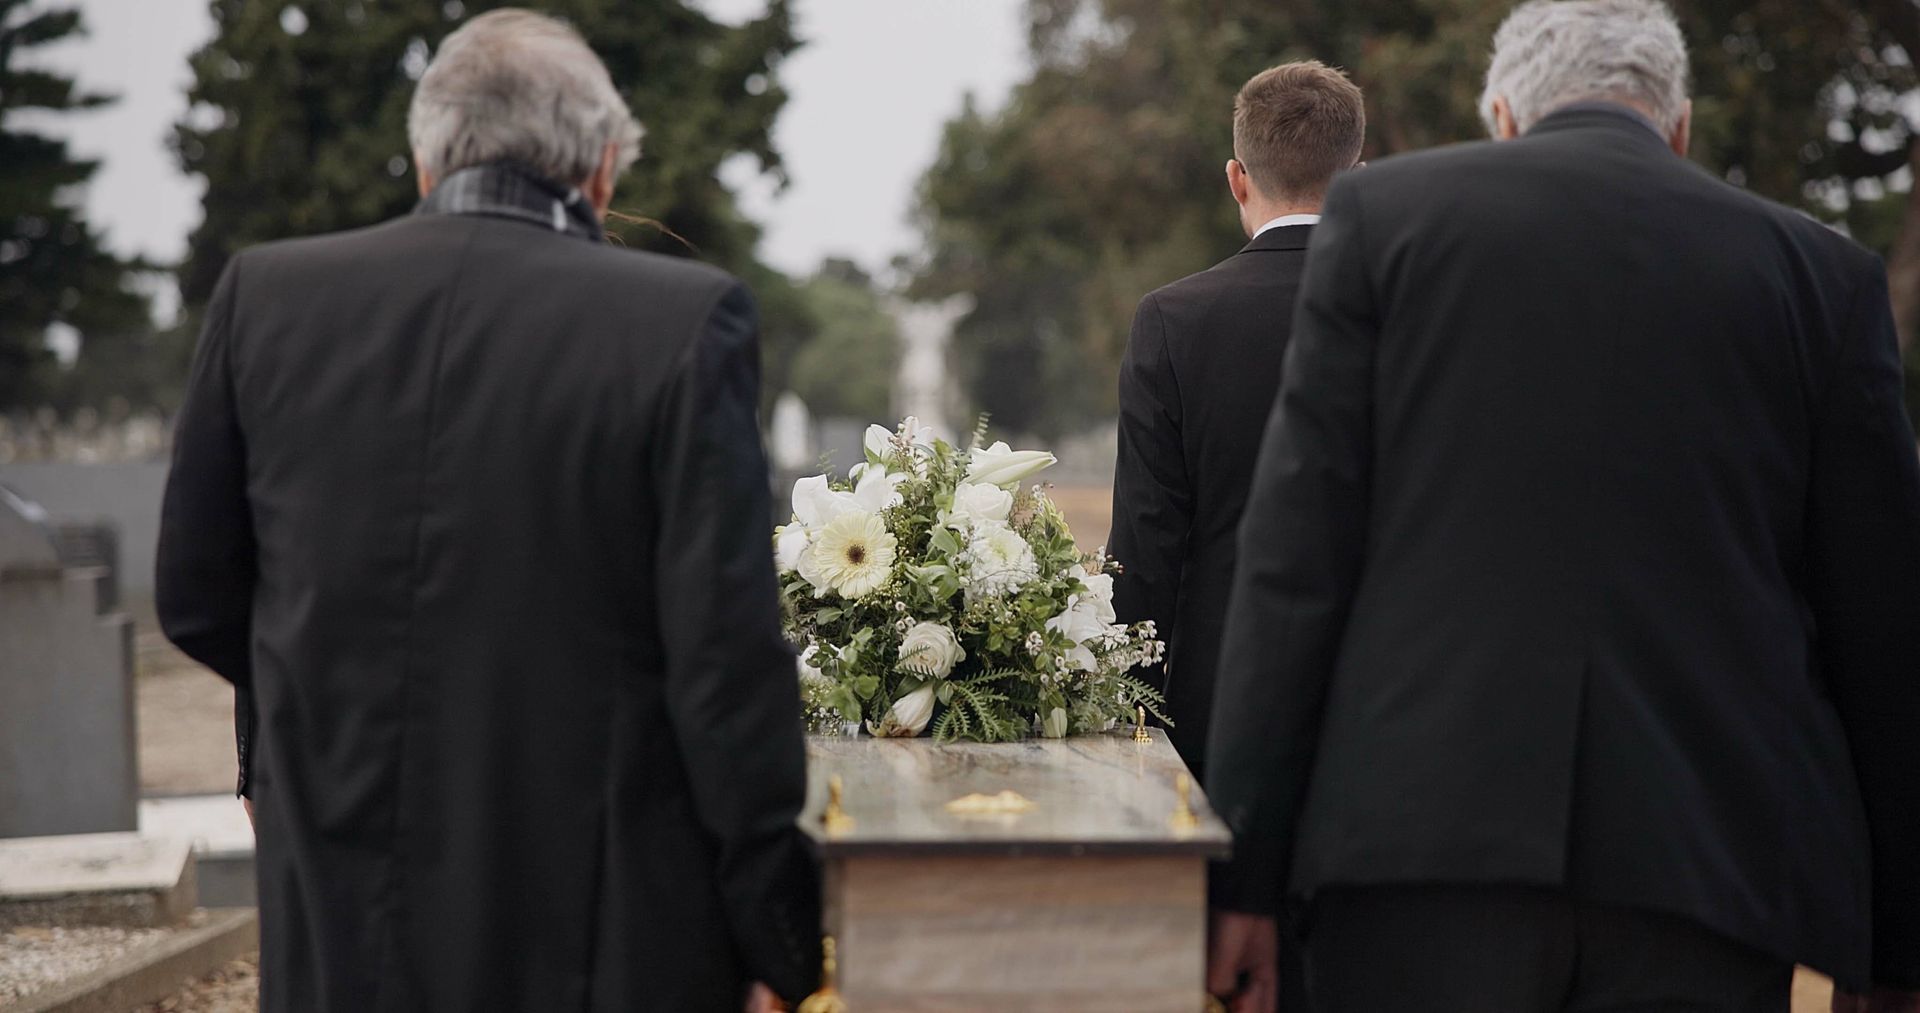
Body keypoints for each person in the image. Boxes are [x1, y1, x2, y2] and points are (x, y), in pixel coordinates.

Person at [1202, 1, 1920, 1011]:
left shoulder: (1380, 224)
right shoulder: (1824, 278)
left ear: (1502, 114)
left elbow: (1294, 570)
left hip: (1417, 862)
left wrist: (1245, 878)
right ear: (1679, 126)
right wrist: (1894, 945)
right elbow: (1883, 629)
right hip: (1708, 876)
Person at [155, 11, 819, 1011]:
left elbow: (200, 593)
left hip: (342, 894)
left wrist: (310, 725)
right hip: (605, 921)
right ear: (600, 169)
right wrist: (783, 932)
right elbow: (723, 666)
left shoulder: (266, 299)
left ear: (427, 163)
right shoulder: (681, 322)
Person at [1108, 61, 1365, 778]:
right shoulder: (1414, 309)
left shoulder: (1174, 319)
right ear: (1359, 174)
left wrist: (1125, 706)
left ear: (1236, 177)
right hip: (1387, 704)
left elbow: (1146, 540)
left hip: (1219, 705)